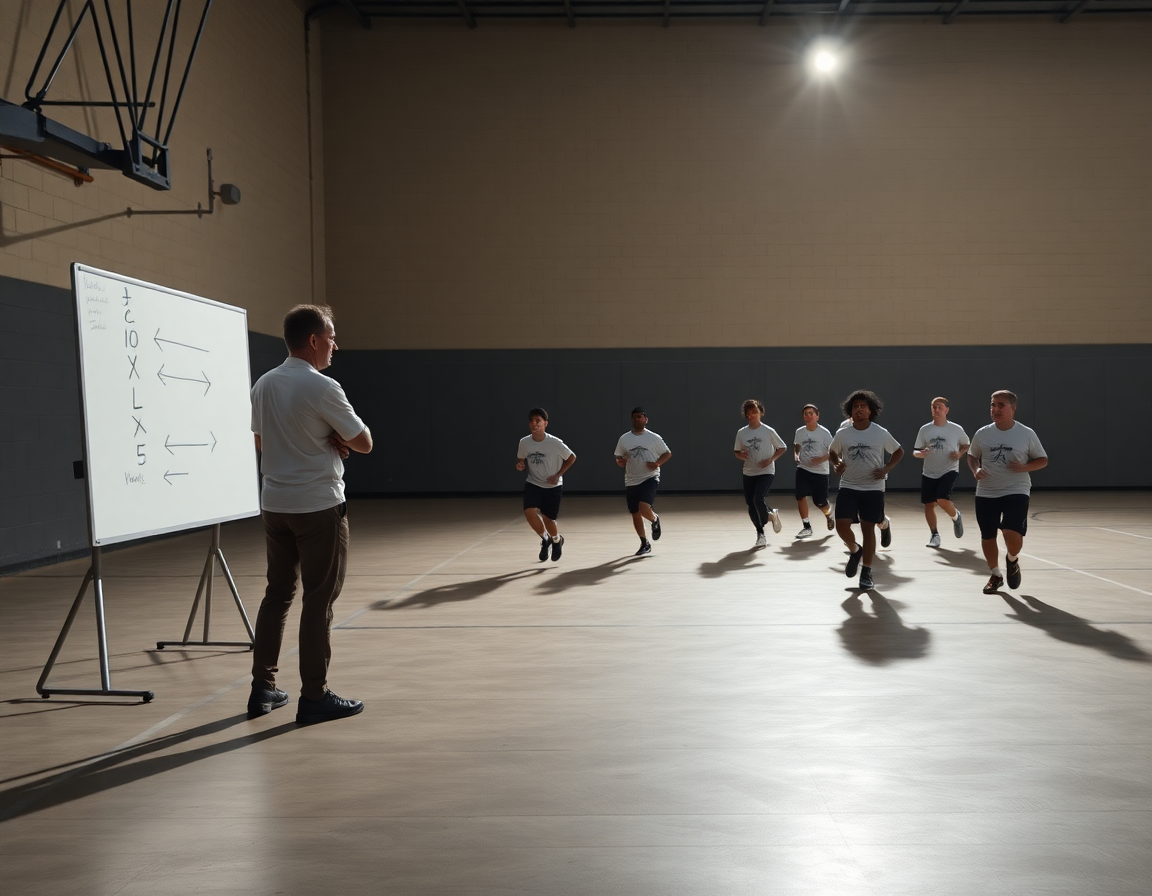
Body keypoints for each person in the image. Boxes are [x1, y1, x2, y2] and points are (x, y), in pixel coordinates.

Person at [248, 305, 373, 725]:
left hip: (274, 505)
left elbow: (263, 444)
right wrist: (335, 440)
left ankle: (262, 689)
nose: (335, 344)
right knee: (318, 598)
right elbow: (365, 442)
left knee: (278, 593)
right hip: (318, 506)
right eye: (332, 337)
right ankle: (314, 695)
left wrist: (319, 440)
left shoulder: (263, 384)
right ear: (315, 341)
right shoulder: (323, 387)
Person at [967, 390, 1048, 594]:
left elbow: (1042, 459)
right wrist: (975, 469)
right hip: (986, 491)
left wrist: (1023, 467)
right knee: (988, 535)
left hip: (1016, 489)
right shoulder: (983, 433)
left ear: (1013, 408)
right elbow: (972, 455)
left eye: (1001, 405)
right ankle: (995, 575)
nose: (995, 409)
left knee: (1010, 532)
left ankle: (1012, 559)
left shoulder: (1026, 433)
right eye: (993, 405)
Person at [828, 390, 903, 591]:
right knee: (841, 526)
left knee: (867, 527)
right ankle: (854, 550)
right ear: (850, 411)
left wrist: (887, 468)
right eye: (855, 407)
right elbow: (832, 452)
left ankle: (867, 571)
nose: (859, 409)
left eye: (862, 406)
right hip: (849, 485)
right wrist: (838, 464)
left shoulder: (880, 432)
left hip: (873, 488)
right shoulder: (843, 434)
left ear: (870, 410)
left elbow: (898, 451)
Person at [515, 407, 576, 562]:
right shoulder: (524, 442)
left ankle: (556, 540)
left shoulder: (555, 443)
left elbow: (571, 457)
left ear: (545, 423)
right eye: (532, 421)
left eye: (538, 421)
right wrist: (520, 464)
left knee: (548, 519)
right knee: (529, 513)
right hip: (534, 483)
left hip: (552, 486)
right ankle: (545, 538)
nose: (535, 424)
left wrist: (558, 475)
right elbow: (521, 459)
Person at [913, 397, 970, 547]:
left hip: (949, 469)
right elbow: (916, 451)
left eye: (939, 407)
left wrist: (959, 454)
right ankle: (934, 535)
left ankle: (955, 516)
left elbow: (966, 444)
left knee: (942, 499)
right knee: (929, 504)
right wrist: (920, 454)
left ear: (946, 410)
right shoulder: (925, 429)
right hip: (929, 471)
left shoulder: (955, 429)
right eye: (934, 407)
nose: (936, 410)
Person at [614, 407, 671, 556]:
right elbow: (619, 458)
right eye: (635, 417)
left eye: (640, 417)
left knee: (643, 506)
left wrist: (657, 463)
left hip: (649, 476)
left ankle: (654, 519)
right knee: (635, 512)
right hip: (632, 479)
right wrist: (621, 462)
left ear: (646, 419)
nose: (637, 419)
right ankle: (644, 542)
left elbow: (667, 453)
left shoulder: (654, 438)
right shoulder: (624, 438)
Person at [733, 399, 787, 547]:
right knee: (750, 503)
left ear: (761, 413)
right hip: (749, 471)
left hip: (766, 471)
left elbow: (782, 448)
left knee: (758, 498)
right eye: (748, 413)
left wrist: (770, 460)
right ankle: (761, 533)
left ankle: (765, 519)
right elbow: (737, 451)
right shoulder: (742, 433)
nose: (751, 415)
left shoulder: (768, 431)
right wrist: (740, 455)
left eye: (754, 412)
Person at [792, 403, 836, 538]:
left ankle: (829, 514)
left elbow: (835, 452)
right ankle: (806, 527)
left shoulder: (824, 433)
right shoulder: (800, 432)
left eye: (811, 413)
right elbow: (797, 446)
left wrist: (822, 458)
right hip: (803, 469)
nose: (808, 415)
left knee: (820, 502)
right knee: (800, 496)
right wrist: (796, 454)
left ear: (817, 416)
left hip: (820, 473)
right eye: (806, 414)